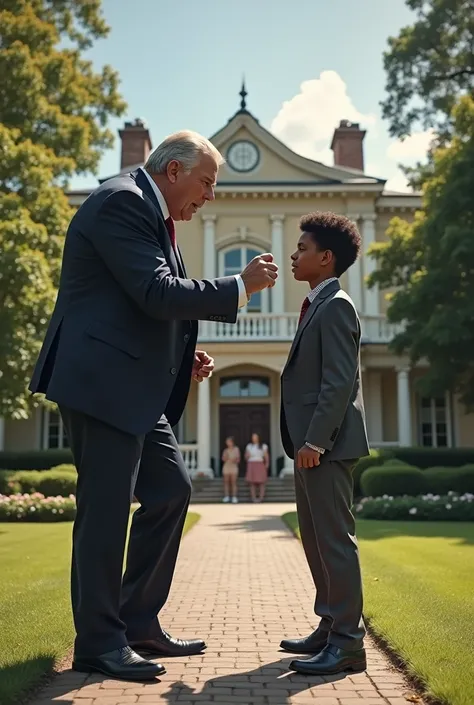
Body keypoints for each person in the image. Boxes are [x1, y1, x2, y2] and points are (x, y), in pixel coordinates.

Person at [29, 130, 278, 682]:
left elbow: (140, 305)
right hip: (102, 384)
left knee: (171, 492)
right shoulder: (123, 201)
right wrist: (239, 285)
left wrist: (180, 358)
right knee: (107, 514)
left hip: (133, 384)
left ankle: (137, 622)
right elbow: (157, 292)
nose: (209, 196)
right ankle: (99, 642)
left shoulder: (150, 212)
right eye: (207, 182)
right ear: (173, 171)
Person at [280, 211, 369, 677]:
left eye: (302, 249)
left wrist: (315, 439)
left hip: (326, 446)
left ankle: (349, 645)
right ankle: (330, 626)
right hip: (309, 447)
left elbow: (339, 383)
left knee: (335, 542)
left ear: (326, 257)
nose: (294, 255)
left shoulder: (336, 306)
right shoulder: (318, 304)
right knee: (315, 540)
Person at [244, 433, 269, 502]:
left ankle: (261, 498)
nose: (254, 438)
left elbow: (266, 456)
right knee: (252, 483)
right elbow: (246, 457)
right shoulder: (249, 446)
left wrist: (267, 463)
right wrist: (247, 456)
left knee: (261, 482)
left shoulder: (263, 446)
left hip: (260, 463)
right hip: (251, 463)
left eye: (255, 437)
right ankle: (253, 498)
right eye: (253, 437)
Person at [221, 436, 241, 504]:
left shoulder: (236, 449)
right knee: (226, 482)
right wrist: (227, 457)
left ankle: (234, 496)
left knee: (233, 482)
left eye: (229, 441)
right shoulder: (225, 450)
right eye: (227, 442)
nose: (228, 443)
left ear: (232, 442)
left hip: (234, 466)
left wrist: (233, 460)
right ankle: (227, 496)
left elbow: (238, 459)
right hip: (226, 466)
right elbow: (223, 459)